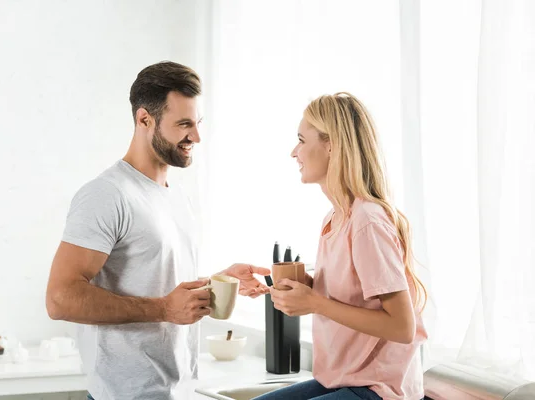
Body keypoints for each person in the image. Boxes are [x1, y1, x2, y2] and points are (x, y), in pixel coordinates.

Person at [45, 61, 270, 400]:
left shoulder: (177, 196)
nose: (195, 136)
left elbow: (160, 282)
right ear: (144, 119)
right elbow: (59, 299)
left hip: (177, 391)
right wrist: (163, 309)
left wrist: (221, 282)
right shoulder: (107, 195)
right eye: (183, 124)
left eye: (197, 123)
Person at [255, 93, 428, 400]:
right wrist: (306, 290)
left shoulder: (367, 222)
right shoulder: (335, 219)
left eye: (301, 140)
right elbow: (356, 298)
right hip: (342, 379)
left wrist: (315, 303)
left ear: (331, 145)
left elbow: (402, 327)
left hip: (377, 391)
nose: (294, 152)